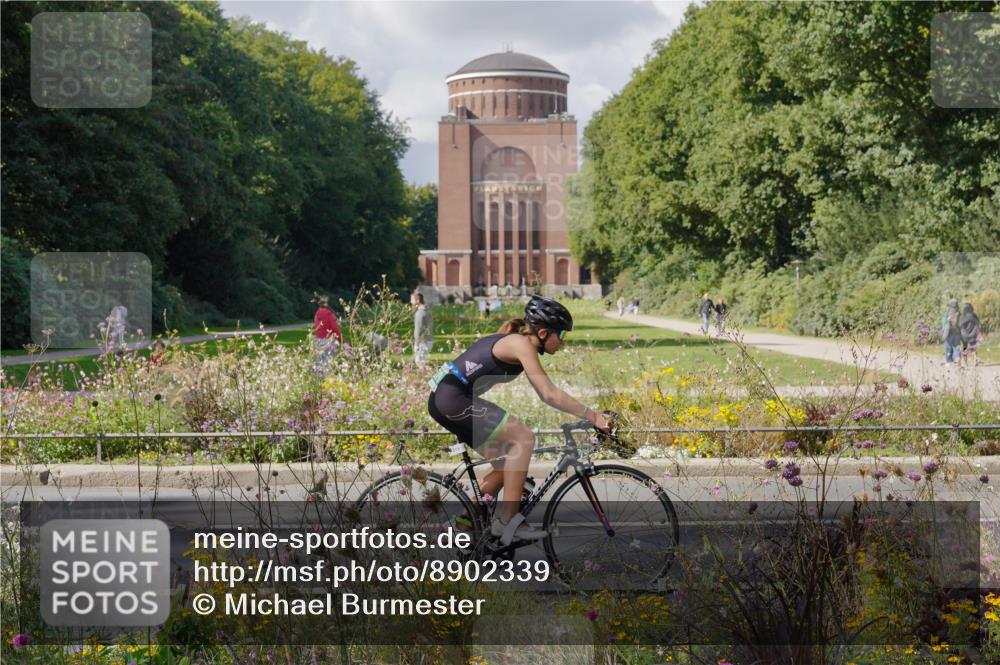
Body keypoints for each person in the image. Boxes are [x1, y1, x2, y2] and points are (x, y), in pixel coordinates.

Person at [427, 295, 609, 544]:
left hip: (448, 399)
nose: (564, 342)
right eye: (562, 335)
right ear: (544, 332)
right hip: (451, 399)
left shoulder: (518, 342)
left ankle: (466, 523)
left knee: (506, 465)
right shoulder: (521, 344)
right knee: (523, 437)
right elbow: (549, 394)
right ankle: (508, 523)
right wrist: (594, 416)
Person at [313, 296, 343, 375]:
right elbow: (335, 329)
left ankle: (319, 383)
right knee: (328, 365)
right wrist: (342, 341)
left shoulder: (317, 314)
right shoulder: (329, 314)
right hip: (329, 342)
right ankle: (328, 383)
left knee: (320, 364)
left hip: (318, 341)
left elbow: (317, 327)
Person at [412, 292, 433, 366]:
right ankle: (425, 376)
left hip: (422, 342)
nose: (411, 302)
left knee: (419, 362)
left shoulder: (420, 313)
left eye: (412, 300)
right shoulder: (427, 310)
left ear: (417, 300)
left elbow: (419, 329)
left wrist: (417, 344)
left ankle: (425, 377)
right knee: (422, 362)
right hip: (428, 340)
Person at [959, 302, 981, 368]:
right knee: (973, 348)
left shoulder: (963, 316)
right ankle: (975, 360)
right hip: (972, 334)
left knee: (965, 348)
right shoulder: (974, 315)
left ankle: (965, 363)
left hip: (964, 335)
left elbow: (960, 325)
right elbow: (978, 324)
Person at [941, 299, 962, 365]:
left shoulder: (947, 313)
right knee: (956, 347)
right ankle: (957, 358)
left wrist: (943, 330)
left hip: (949, 334)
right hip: (957, 334)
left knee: (948, 347)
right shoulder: (959, 314)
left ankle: (949, 361)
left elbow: (944, 322)